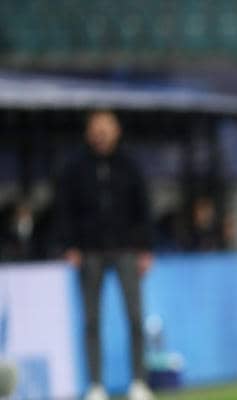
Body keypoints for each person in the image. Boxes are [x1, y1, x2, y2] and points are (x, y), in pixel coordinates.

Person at [55, 110, 156, 400]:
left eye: (106, 127)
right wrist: (69, 245)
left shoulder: (130, 165)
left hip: (127, 249)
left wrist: (145, 248)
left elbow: (144, 207)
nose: (100, 133)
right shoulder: (75, 167)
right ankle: (96, 385)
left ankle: (139, 382)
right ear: (88, 132)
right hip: (89, 251)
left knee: (135, 317)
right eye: (95, 128)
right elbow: (64, 208)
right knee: (91, 321)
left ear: (117, 130)